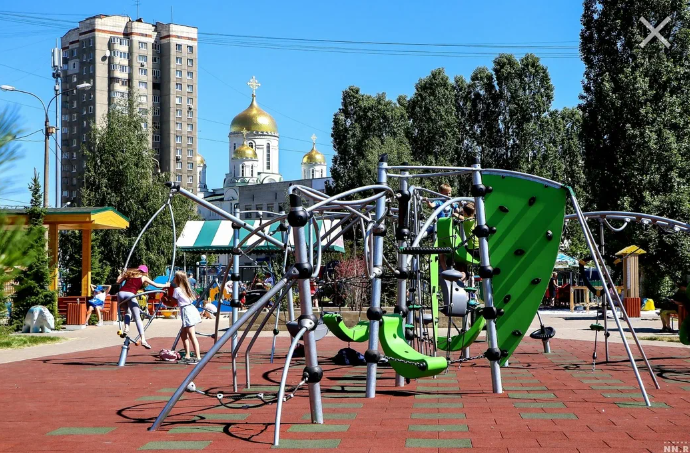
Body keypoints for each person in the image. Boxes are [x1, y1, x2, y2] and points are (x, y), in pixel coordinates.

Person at [116, 265, 168, 349]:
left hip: (121, 294)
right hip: (130, 294)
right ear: (145, 272)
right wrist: (166, 285)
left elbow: (118, 281)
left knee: (127, 312)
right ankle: (143, 339)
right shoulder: (143, 277)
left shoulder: (129, 274)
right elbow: (156, 285)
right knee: (137, 318)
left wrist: (122, 273)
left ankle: (126, 328)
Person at [171, 271, 202, 364]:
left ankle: (198, 357)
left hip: (186, 311)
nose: (173, 279)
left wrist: (165, 298)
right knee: (183, 334)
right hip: (190, 309)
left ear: (178, 279)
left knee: (191, 334)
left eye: (175, 277)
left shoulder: (177, 290)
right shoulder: (185, 288)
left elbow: (173, 302)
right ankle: (187, 355)